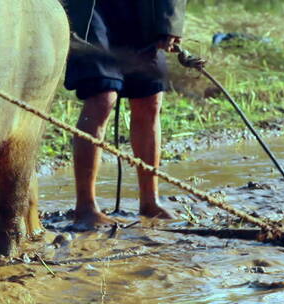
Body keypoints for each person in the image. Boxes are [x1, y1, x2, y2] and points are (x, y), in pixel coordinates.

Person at [65, 0, 187, 228]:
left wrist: (170, 23)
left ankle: (150, 202)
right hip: (92, 8)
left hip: (144, 8)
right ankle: (85, 207)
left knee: (149, 99)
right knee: (102, 96)